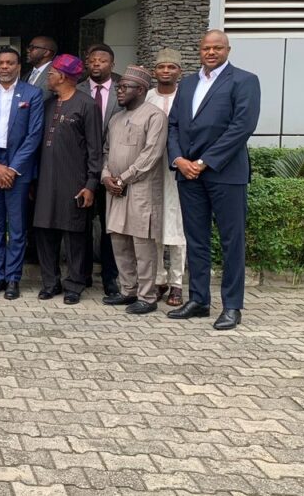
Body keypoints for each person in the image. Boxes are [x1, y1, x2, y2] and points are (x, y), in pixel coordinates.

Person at [167, 30, 260, 330]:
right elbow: (174, 125)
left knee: (232, 241)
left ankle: (232, 306)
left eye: (217, 48)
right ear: (199, 50)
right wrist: (179, 159)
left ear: (228, 50)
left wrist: (204, 162)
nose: (211, 52)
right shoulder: (189, 83)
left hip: (225, 173)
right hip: (188, 174)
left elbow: (242, 127)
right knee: (196, 239)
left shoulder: (244, 81)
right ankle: (199, 300)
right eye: (206, 48)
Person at [0, 47, 44, 300]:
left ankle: (13, 278)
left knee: (16, 227)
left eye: (9, 63)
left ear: (18, 66)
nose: (4, 67)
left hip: (18, 168)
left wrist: (12, 168)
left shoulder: (32, 93)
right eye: (0, 63)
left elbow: (34, 135)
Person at [33, 54, 102, 305]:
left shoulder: (87, 105)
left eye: (51, 73)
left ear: (62, 76)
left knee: (74, 235)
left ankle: (75, 283)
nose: (48, 77)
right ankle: (50, 283)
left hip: (75, 182)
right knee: (45, 232)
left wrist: (90, 184)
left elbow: (95, 149)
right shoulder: (48, 104)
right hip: (45, 182)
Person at [101, 66, 168, 315]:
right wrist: (106, 176)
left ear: (140, 90)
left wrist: (124, 178)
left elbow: (152, 155)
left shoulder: (154, 116)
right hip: (115, 190)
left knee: (143, 245)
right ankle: (128, 291)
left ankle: (147, 296)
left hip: (141, 190)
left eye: (124, 87)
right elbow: (106, 151)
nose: (119, 91)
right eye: (118, 87)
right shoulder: (116, 118)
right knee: (119, 240)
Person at [78, 43, 123, 297]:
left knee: (110, 225)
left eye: (102, 61)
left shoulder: (122, 90)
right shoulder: (79, 89)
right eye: (92, 60)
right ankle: (82, 274)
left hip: (113, 167)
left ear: (112, 64)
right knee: (81, 223)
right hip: (82, 168)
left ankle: (110, 278)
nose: (96, 64)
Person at [146, 48, 187, 307]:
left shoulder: (186, 97)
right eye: (162, 67)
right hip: (151, 170)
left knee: (177, 225)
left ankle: (177, 283)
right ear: (154, 72)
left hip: (178, 169)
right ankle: (158, 279)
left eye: (171, 67)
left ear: (179, 72)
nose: (166, 71)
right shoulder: (147, 97)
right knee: (154, 224)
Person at [22, 36, 58, 102]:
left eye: (33, 47)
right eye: (29, 47)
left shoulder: (56, 73)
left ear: (46, 52)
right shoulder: (26, 76)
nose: (28, 50)